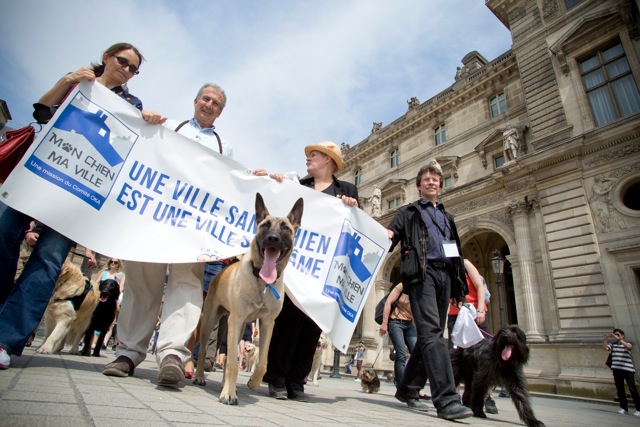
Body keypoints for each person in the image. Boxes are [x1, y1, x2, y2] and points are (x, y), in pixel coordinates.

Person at [0, 42, 163, 369]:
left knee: (48, 261)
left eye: (134, 69)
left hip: (77, 191)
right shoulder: (79, 81)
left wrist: (146, 120)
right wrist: (67, 80)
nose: (127, 71)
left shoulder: (131, 102)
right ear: (106, 57)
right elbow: (42, 111)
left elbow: (130, 142)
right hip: (41, 174)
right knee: (4, 237)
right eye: (123, 62)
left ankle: (6, 338)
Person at [103, 83, 231, 386]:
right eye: (206, 99)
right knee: (141, 280)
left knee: (186, 285)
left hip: (192, 225)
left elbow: (228, 186)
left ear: (220, 111)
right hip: (156, 217)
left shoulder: (225, 146)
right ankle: (129, 351)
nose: (209, 105)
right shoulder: (168, 127)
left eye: (216, 103)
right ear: (195, 101)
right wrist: (143, 119)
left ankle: (173, 352)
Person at [256, 140, 359, 402]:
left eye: (314, 154)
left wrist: (352, 205)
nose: (308, 158)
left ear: (328, 160)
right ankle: (277, 377)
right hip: (297, 266)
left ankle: (297, 380)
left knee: (312, 325)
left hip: (324, 269)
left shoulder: (345, 189)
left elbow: (355, 223)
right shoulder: (299, 186)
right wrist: (270, 179)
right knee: (288, 320)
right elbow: (277, 208)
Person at [387, 159, 473, 420]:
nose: (432, 182)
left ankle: (407, 388)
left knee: (431, 334)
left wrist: (458, 286)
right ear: (419, 186)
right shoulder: (409, 212)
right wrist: (384, 236)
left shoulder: (448, 217)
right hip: (422, 275)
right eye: (427, 179)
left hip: (445, 276)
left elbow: (455, 251)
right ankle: (447, 400)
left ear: (441, 184)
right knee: (434, 334)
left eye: (436, 179)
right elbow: (390, 236)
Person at [447, 259, 498, 414]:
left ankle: (488, 397)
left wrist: (481, 309)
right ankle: (454, 397)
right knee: (456, 360)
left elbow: (480, 286)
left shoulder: (465, 263)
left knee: (483, 359)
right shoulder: (441, 267)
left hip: (475, 314)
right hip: (455, 316)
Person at [379, 282, 416, 386]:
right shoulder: (402, 286)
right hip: (395, 323)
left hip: (409, 324)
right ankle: (401, 384)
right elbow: (388, 303)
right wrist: (384, 323)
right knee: (401, 354)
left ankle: (413, 384)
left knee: (417, 353)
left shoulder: (419, 288)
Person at [604, 329, 640, 416]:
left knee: (632, 389)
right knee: (620, 389)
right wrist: (605, 339)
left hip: (628, 370)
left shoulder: (627, 344)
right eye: (615, 334)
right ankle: (624, 408)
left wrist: (620, 339)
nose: (616, 336)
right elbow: (605, 348)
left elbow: (629, 347)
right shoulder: (613, 344)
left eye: (618, 334)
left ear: (622, 336)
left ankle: (638, 409)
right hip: (616, 369)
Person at [93, 258, 126, 350]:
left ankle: (102, 342)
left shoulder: (120, 275)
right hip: (100, 298)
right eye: (111, 261)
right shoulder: (104, 272)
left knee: (109, 322)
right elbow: (96, 283)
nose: (113, 263)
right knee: (95, 318)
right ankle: (93, 341)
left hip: (111, 300)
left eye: (115, 262)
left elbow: (121, 288)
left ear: (118, 264)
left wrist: (118, 278)